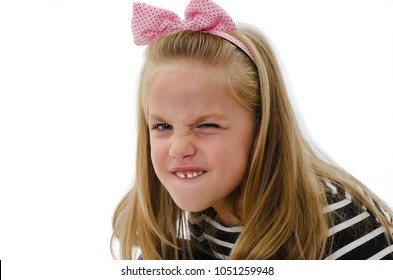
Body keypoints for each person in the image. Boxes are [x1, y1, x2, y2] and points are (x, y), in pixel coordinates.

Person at [111, 0, 393, 260]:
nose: (179, 148)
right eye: (163, 126)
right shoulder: (208, 213)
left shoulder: (337, 232)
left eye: (207, 125)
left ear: (267, 131)